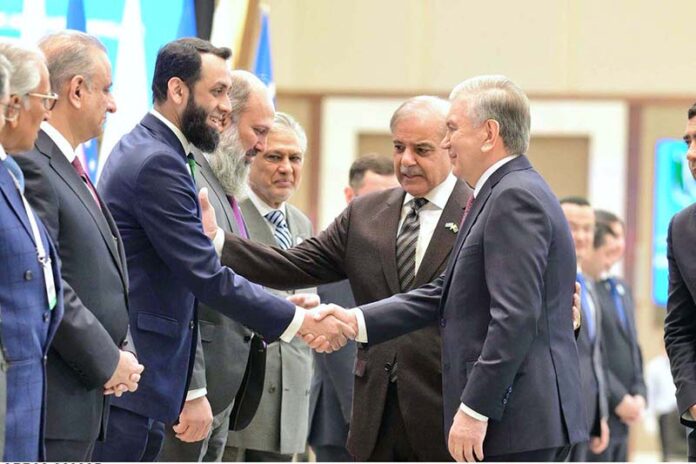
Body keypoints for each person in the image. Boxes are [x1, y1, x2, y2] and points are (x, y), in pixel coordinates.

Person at [90, 38, 352, 462]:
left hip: (160, 385)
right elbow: (204, 277)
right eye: (216, 92)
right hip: (150, 383)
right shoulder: (161, 162)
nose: (225, 107)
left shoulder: (164, 153)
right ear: (178, 91)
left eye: (228, 94)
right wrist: (298, 320)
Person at [314, 75, 587, 461]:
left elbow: (515, 317)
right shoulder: (499, 192)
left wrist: (475, 408)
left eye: (453, 129)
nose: (445, 142)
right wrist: (353, 321)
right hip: (520, 419)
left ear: (489, 133)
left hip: (516, 421)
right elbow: (442, 293)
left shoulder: (513, 197)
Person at [202, 95, 471, 461]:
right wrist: (219, 241)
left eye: (421, 149)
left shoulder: (479, 211)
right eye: (398, 147)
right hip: (374, 411)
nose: (406, 160)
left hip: (449, 412)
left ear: (450, 148)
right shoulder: (367, 213)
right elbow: (294, 264)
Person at [13, 31, 143, 461]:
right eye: (106, 89)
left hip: (84, 397)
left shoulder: (70, 164)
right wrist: (107, 359)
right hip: (58, 399)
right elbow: (46, 279)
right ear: (77, 90)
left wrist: (120, 349)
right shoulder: (32, 162)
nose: (113, 104)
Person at [158, 69, 275, 462]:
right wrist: (193, 388)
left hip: (225, 389)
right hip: (192, 392)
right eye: (258, 131)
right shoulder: (190, 178)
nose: (261, 146)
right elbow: (176, 289)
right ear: (224, 121)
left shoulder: (227, 184)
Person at [226, 112, 315, 461]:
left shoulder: (301, 223)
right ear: (251, 156)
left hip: (290, 406)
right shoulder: (231, 216)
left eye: (295, 158)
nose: (286, 168)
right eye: (274, 157)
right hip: (243, 403)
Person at [307, 153, 398, 462]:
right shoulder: (337, 250)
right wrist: (364, 423)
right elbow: (340, 348)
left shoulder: (397, 250)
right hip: (344, 424)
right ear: (350, 197)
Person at [0, 40, 64, 462]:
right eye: (45, 99)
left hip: (26, 395)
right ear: (11, 105)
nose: (48, 111)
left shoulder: (13, 173)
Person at [585, 210, 645, 462]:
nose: (620, 245)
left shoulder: (621, 289)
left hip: (626, 417)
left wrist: (640, 393)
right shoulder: (587, 291)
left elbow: (633, 347)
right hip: (602, 410)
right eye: (615, 236)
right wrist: (618, 398)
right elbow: (591, 354)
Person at [560, 197, 610, 461]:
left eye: (588, 228)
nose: (581, 235)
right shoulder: (550, 280)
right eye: (572, 226)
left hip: (586, 418)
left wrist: (599, 415)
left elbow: (594, 358)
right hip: (557, 420)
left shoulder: (590, 288)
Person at [664, 101, 696, 461]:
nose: (691, 153)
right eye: (687, 141)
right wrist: (693, 399)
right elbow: (680, 327)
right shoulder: (682, 227)